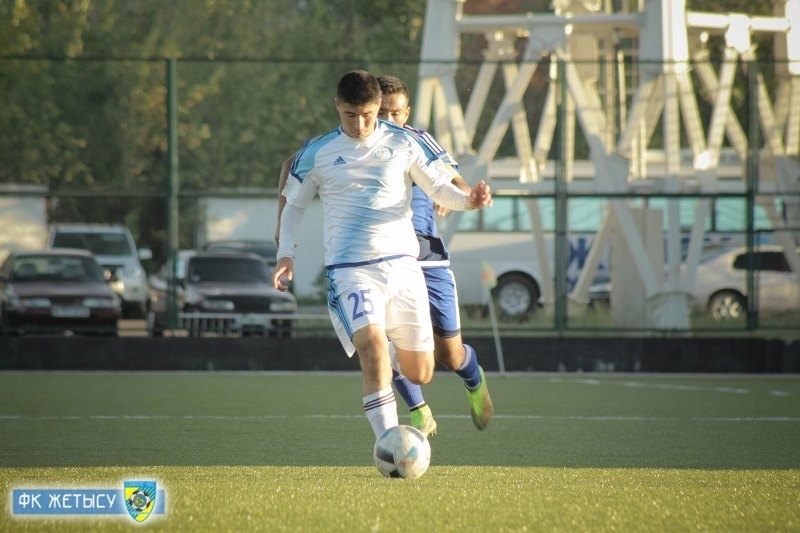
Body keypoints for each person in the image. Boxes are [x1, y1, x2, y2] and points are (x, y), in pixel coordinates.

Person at [272, 70, 492, 440]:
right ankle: (390, 441)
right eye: (350, 115)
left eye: (369, 115)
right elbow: (293, 202)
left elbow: (442, 186)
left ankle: (467, 378)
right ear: (337, 107)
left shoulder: (407, 141)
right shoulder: (320, 151)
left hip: (410, 266)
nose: (360, 125)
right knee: (374, 348)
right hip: (350, 270)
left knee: (427, 367)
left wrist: (469, 200)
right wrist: (284, 253)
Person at [376, 75, 494, 432]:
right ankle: (419, 412)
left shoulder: (417, 141)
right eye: (381, 112)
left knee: (449, 355)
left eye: (396, 113)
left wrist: (464, 195)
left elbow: (452, 179)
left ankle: (473, 378)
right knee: (383, 342)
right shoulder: (356, 147)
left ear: (407, 112)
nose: (388, 120)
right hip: (381, 259)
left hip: (428, 259)